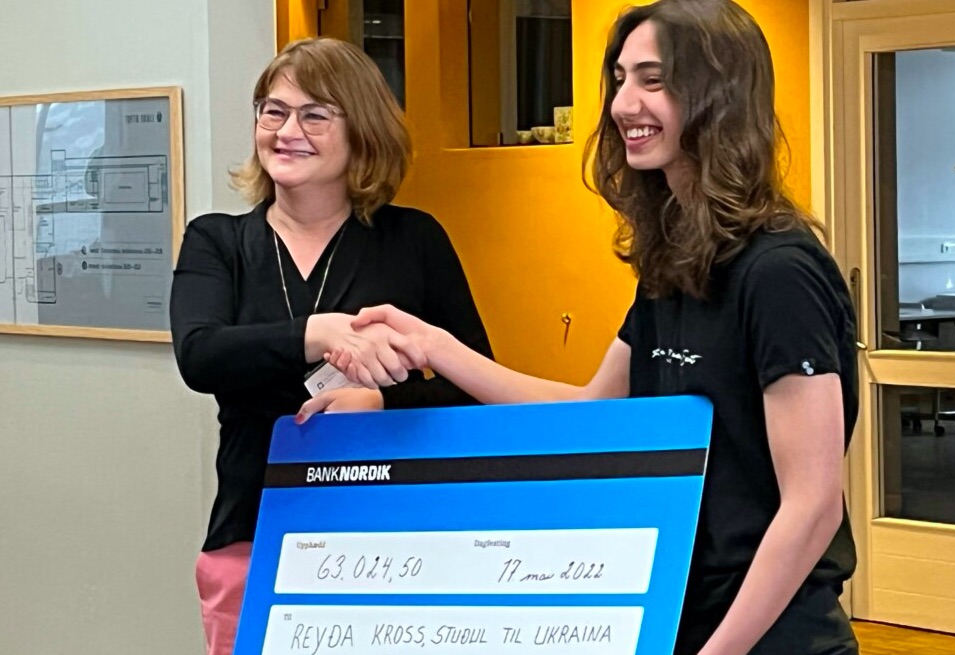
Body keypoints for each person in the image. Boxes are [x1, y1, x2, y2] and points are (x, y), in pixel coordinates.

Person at [301, 2, 859, 653]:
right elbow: (591, 409)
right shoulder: (675, 263)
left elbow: (812, 504)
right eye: (619, 79)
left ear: (720, 95)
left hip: (771, 634)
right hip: (676, 612)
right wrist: (435, 345)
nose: (622, 104)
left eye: (653, 80)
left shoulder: (779, 271)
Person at [169, 38, 491, 655]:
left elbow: (476, 383)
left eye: (315, 114)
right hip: (253, 532)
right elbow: (200, 355)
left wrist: (383, 405)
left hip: (395, 539)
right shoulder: (217, 241)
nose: (288, 131)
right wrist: (315, 333)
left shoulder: (413, 239)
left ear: (361, 130)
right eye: (273, 111)